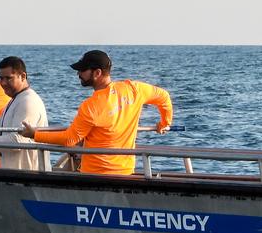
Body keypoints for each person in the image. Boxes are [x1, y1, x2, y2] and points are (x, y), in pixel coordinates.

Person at [21, 49, 172, 175]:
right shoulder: (134, 89)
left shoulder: (91, 106)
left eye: (82, 70)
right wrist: (165, 122)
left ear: (97, 72)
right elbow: (163, 96)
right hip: (126, 171)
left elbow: (70, 139)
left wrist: (34, 134)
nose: (78, 74)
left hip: (95, 174)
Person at [0, 56, 48, 170]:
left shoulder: (28, 101)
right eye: (1, 78)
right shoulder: (13, 100)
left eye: (8, 78)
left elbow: (18, 140)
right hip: (13, 175)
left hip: (29, 177)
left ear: (23, 76)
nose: (3, 83)